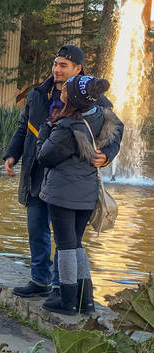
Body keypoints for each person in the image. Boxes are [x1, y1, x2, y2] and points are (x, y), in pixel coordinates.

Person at [3, 45, 122, 299]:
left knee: (67, 237)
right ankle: (40, 279)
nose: (56, 69)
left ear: (78, 69)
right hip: (37, 171)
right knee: (37, 228)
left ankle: (61, 286)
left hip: (70, 179)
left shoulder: (94, 98)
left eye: (63, 65)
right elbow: (23, 127)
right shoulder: (38, 94)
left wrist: (108, 153)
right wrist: (12, 154)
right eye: (55, 64)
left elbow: (115, 127)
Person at [36, 76, 122, 315]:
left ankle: (67, 300)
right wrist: (105, 154)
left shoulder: (67, 129)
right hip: (87, 195)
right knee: (76, 244)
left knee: (64, 246)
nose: (61, 91)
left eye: (65, 90)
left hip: (63, 194)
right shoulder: (101, 117)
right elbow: (118, 130)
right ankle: (86, 299)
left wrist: (45, 130)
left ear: (73, 99)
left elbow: (44, 156)